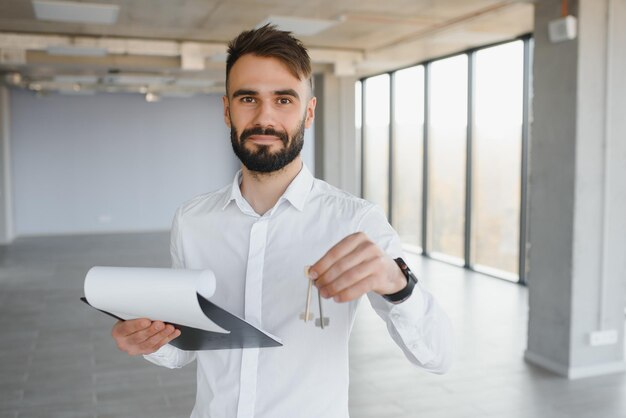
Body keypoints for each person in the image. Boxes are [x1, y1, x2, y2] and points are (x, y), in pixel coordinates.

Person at [111, 24, 453, 418]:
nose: (265, 117)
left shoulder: (355, 220)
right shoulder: (192, 221)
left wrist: (397, 284)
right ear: (227, 110)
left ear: (308, 113)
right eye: (248, 98)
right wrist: (148, 341)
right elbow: (185, 347)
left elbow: (438, 356)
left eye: (284, 99)